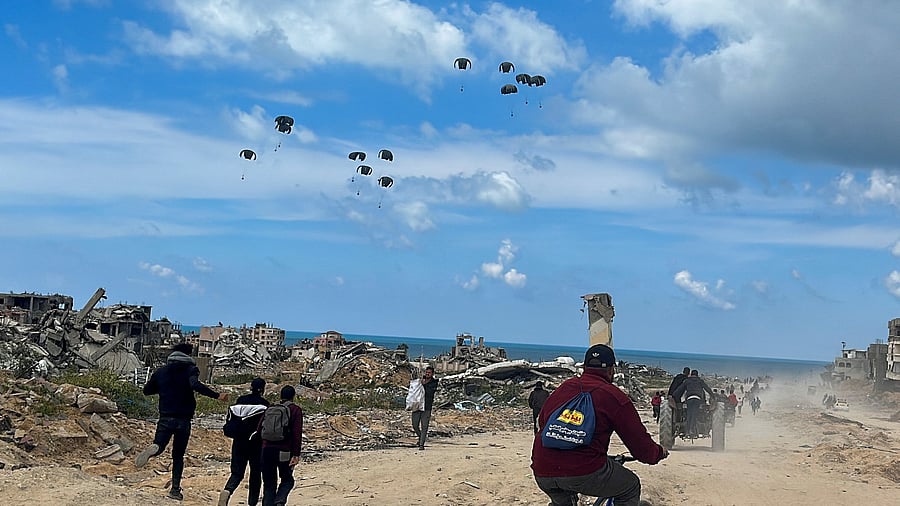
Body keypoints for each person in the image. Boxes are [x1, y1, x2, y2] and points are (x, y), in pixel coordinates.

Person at [531, 344, 668, 506]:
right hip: (583, 469)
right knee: (630, 486)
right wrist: (658, 453)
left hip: (542, 468)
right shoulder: (614, 396)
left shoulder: (564, 388)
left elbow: (542, 422)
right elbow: (640, 446)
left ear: (584, 367)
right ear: (612, 370)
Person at [135, 342, 228, 501]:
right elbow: (194, 384)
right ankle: (175, 490)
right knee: (178, 455)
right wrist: (217, 396)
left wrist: (165, 388)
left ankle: (155, 448)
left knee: (160, 444)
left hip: (165, 416)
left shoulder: (161, 372)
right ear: (188, 355)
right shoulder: (190, 369)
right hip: (183, 419)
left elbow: (147, 390)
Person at [219, 378, 270, 506]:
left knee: (237, 473)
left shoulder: (240, 401)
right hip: (256, 444)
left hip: (238, 442)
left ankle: (227, 491)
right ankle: (252, 503)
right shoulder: (264, 404)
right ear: (262, 389)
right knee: (255, 474)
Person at [259, 385, 303, 506]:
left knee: (268, 484)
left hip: (267, 450)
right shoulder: (295, 410)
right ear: (293, 396)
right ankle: (279, 501)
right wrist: (296, 454)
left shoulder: (270, 407)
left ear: (281, 395)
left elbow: (260, 429)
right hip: (284, 451)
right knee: (287, 480)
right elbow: (296, 433)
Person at [672, 369, 713, 438]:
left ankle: (688, 431)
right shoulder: (700, 381)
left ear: (691, 374)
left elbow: (679, 390)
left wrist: (673, 396)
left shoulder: (687, 381)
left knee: (689, 414)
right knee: (694, 414)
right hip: (698, 400)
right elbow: (707, 389)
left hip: (689, 399)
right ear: (697, 375)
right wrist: (713, 396)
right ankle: (692, 430)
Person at [412, 365, 439, 450]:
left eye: (429, 373)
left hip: (427, 407)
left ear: (432, 374)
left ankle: (421, 444)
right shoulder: (419, 380)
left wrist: (424, 386)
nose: (427, 374)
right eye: (426, 372)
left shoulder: (434, 382)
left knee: (424, 426)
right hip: (417, 406)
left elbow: (430, 392)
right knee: (415, 425)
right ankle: (421, 437)